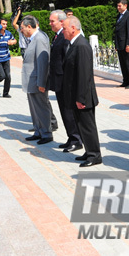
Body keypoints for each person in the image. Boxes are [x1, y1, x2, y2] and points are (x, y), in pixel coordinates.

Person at [62, 16, 102, 167]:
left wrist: (81, 98)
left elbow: (84, 75)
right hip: (77, 96)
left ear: (73, 28)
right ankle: (88, 151)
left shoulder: (82, 45)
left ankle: (95, 155)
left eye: (65, 28)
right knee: (81, 126)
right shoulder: (74, 44)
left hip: (83, 97)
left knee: (87, 126)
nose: (63, 31)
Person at [49, 10, 82, 152]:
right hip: (58, 80)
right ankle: (71, 137)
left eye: (52, 21)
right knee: (64, 111)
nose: (50, 24)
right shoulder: (58, 36)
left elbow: (68, 61)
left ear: (61, 22)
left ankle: (76, 139)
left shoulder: (65, 37)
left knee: (69, 112)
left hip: (64, 81)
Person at [21, 15, 54, 145]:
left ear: (29, 27)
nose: (21, 31)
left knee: (41, 107)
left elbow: (42, 62)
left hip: (37, 81)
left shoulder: (39, 38)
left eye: (22, 28)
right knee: (34, 108)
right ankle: (38, 131)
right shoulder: (35, 38)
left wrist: (42, 82)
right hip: (31, 81)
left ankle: (46, 133)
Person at [0, 18, 16, 98]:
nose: (5, 26)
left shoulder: (8, 33)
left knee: (8, 76)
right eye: (3, 24)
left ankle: (5, 93)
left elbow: (14, 40)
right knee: (2, 76)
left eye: (6, 24)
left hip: (6, 58)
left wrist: (12, 42)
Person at [114, 0, 129, 88]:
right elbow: (117, 31)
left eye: (120, 6)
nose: (118, 7)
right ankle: (125, 80)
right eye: (117, 6)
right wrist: (116, 44)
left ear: (125, 6)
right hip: (120, 44)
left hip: (126, 44)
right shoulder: (119, 16)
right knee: (122, 63)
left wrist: (128, 44)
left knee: (128, 63)